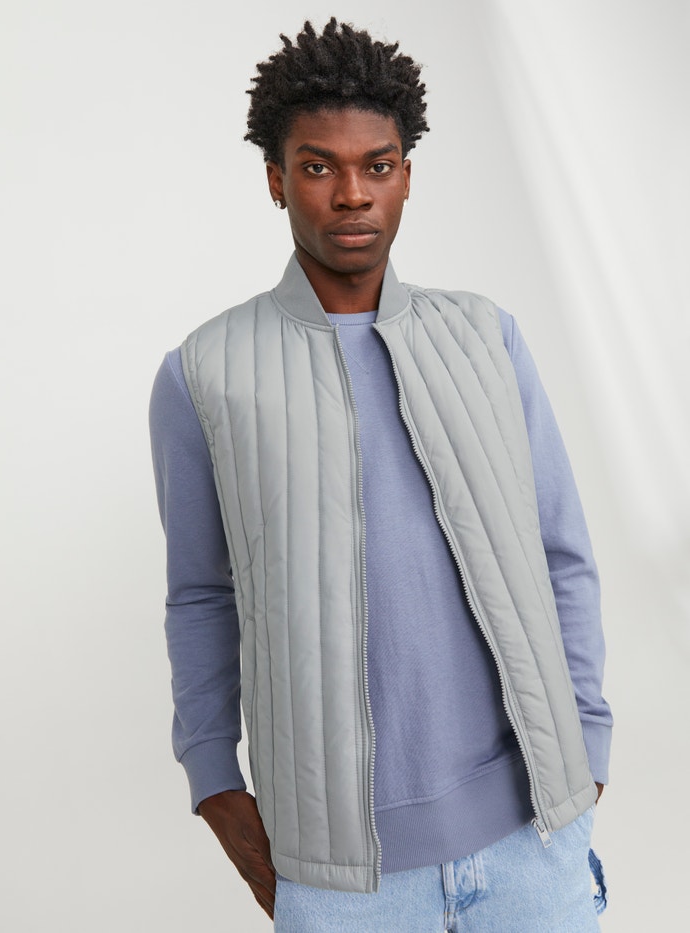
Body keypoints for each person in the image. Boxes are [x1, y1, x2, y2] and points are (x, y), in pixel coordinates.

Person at [149, 18, 612, 932]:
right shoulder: (204, 372)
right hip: (342, 879)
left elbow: (560, 550)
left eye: (379, 165)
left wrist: (588, 741)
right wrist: (213, 779)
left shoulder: (485, 337)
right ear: (277, 180)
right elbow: (201, 593)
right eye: (318, 167)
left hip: (532, 841)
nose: (352, 193)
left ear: (406, 175)